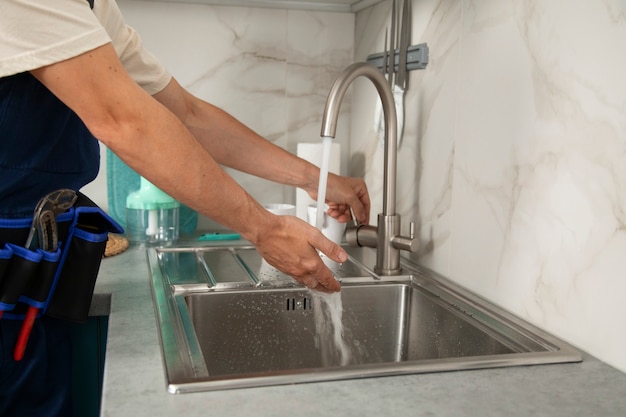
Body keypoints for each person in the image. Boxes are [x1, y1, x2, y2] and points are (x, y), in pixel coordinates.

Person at [0, 0, 370, 415]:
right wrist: (263, 228)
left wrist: (316, 180)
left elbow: (187, 114)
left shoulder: (90, 7)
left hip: (34, 274)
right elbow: (124, 120)